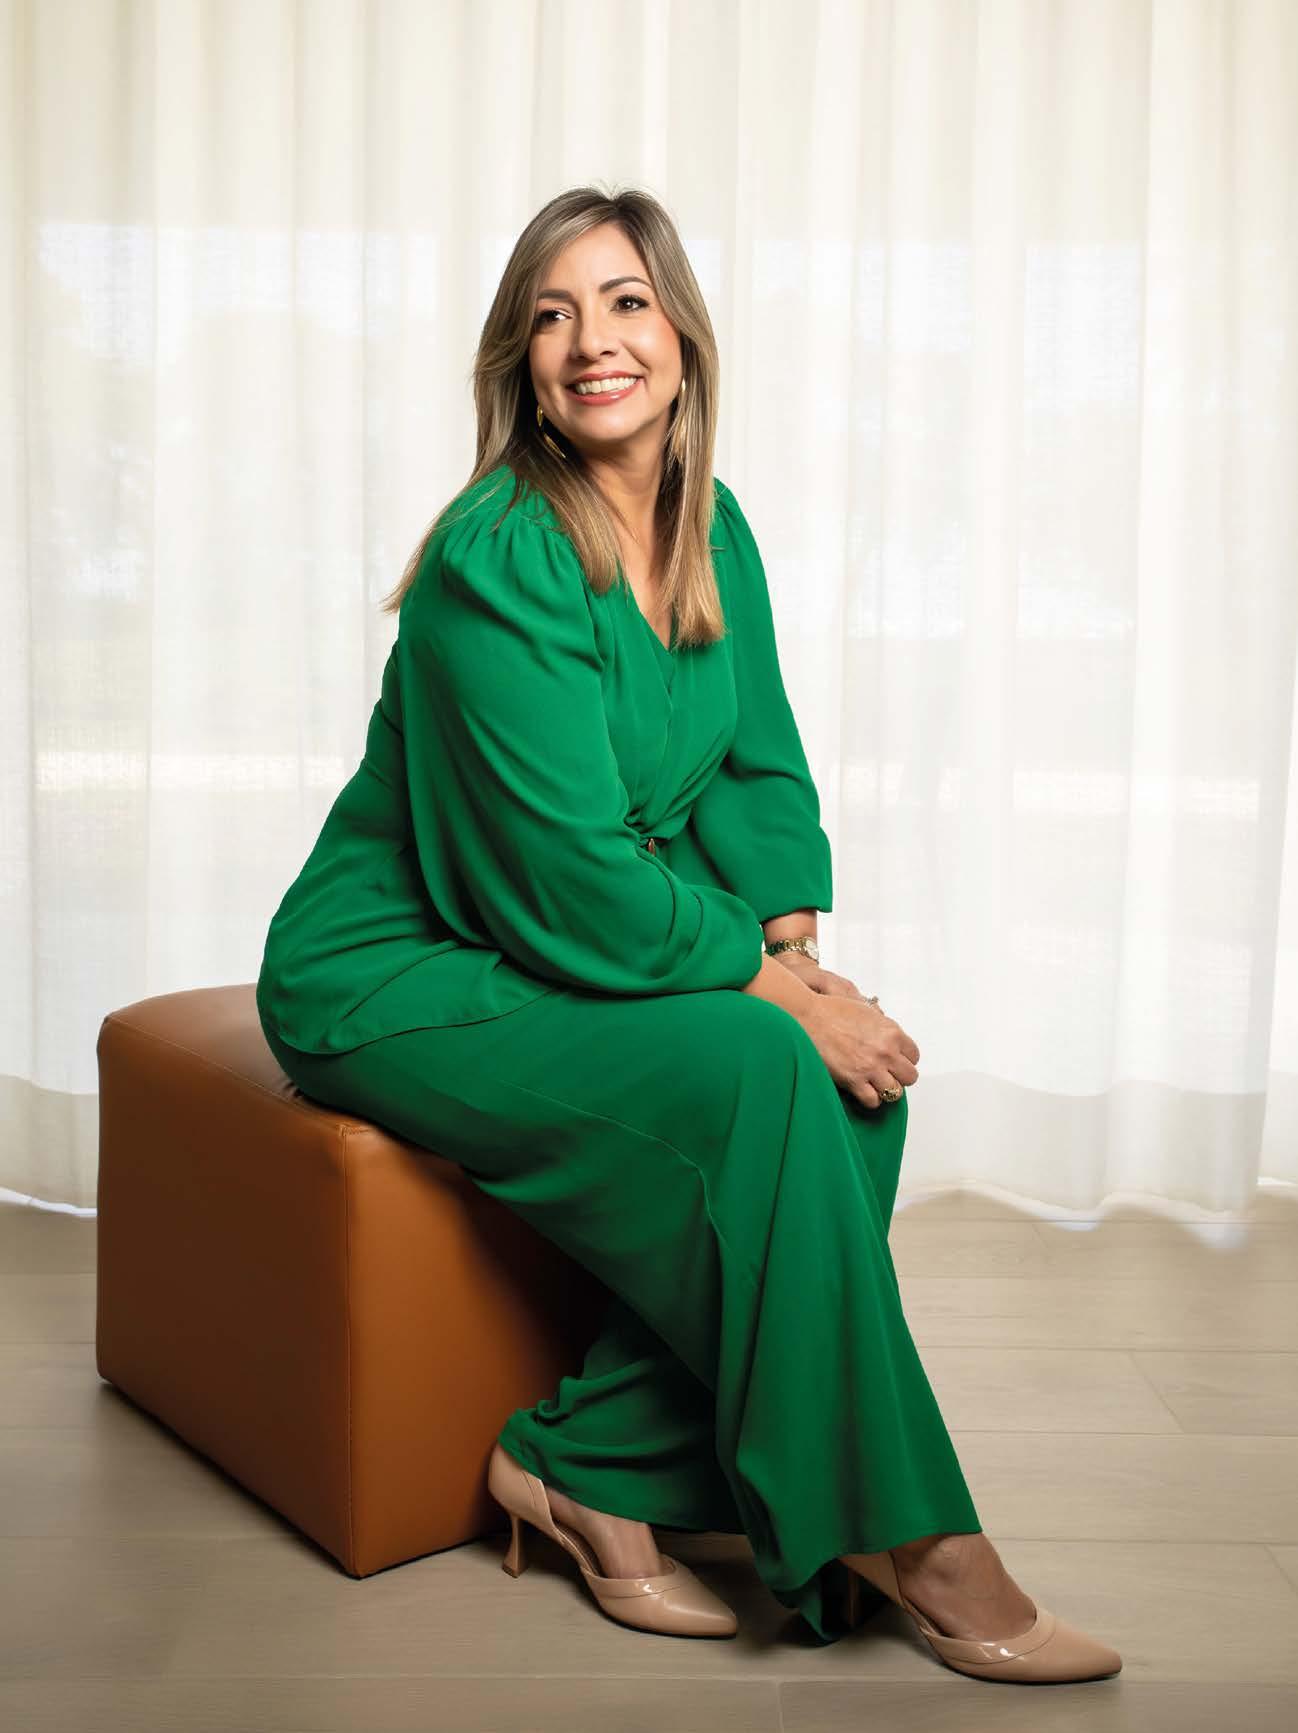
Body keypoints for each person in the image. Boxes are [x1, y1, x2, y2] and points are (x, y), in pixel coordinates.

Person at [256, 184, 1121, 1684]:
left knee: (855, 1084)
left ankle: (587, 1463)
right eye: (551, 315)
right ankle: (914, 1534)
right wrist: (764, 990)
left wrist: (796, 948)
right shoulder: (495, 553)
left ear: (682, 336)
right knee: (770, 1061)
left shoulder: (713, 525)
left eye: (625, 303)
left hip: (573, 931)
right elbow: (560, 879)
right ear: (520, 363)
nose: (591, 341)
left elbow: (753, 759)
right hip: (402, 967)